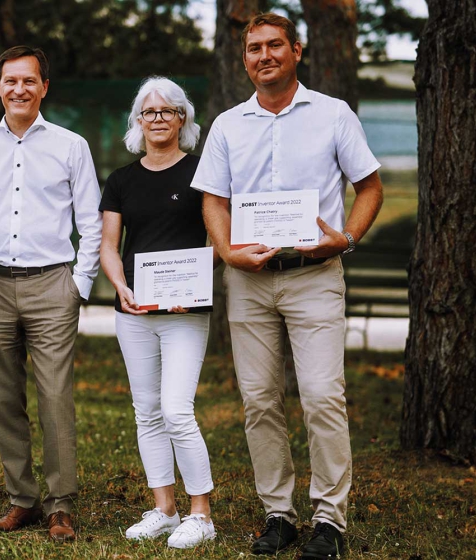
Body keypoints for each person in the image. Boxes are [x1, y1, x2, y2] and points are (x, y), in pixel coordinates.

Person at [192, 13, 384, 559]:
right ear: (244, 57)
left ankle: (330, 521)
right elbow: (213, 199)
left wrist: (344, 239)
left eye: (275, 45)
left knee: (323, 397)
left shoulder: (332, 114)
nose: (264, 56)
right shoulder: (229, 124)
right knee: (259, 401)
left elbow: (369, 188)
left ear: (296, 50)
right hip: (249, 282)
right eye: (254, 48)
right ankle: (279, 514)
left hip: (314, 276)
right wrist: (227, 251)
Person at [0, 45, 102, 542]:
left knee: (55, 396)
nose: (19, 89)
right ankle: (23, 500)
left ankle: (60, 504)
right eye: (10, 81)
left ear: (44, 87)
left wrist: (79, 284)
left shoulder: (70, 145)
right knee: (4, 397)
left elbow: (91, 221)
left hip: (52, 283)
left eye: (29, 81)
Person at [99, 76, 218, 549]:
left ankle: (202, 514)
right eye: (149, 112)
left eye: (167, 111)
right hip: (133, 312)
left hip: (186, 312)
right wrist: (121, 285)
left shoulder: (203, 173)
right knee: (146, 412)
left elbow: (220, 242)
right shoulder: (121, 180)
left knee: (176, 411)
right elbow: (110, 246)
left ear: (183, 118)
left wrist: (188, 275)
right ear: (137, 121)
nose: (158, 120)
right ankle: (164, 509)